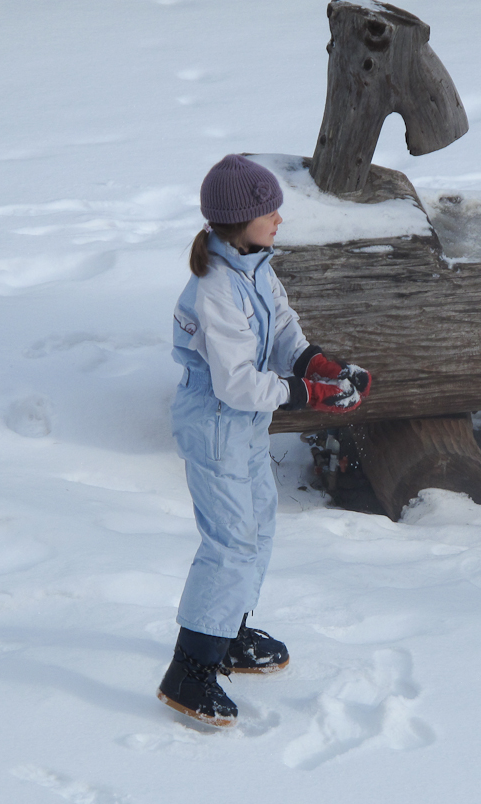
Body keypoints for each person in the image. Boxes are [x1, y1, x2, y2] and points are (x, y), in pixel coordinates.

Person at [158, 154, 371, 727]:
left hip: (244, 425)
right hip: (217, 423)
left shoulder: (254, 266)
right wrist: (312, 395)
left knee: (259, 523)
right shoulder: (212, 289)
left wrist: (320, 364)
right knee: (230, 543)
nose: (279, 218)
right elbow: (237, 385)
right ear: (238, 220)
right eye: (268, 209)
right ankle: (191, 669)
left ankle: (226, 631)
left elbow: (280, 330)